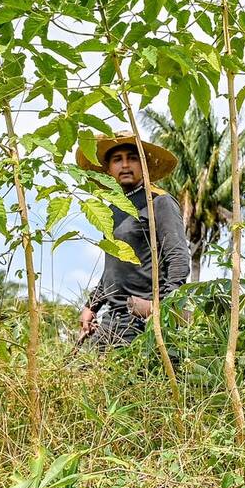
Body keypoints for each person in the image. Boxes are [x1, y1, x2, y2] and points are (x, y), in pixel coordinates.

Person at [76, 134, 191, 349]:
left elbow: (178, 258)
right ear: (108, 169)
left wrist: (161, 309)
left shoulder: (159, 201)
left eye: (132, 158)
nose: (125, 165)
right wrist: (91, 305)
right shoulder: (111, 212)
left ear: (144, 165)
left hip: (143, 317)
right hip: (113, 319)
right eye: (117, 159)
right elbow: (112, 269)